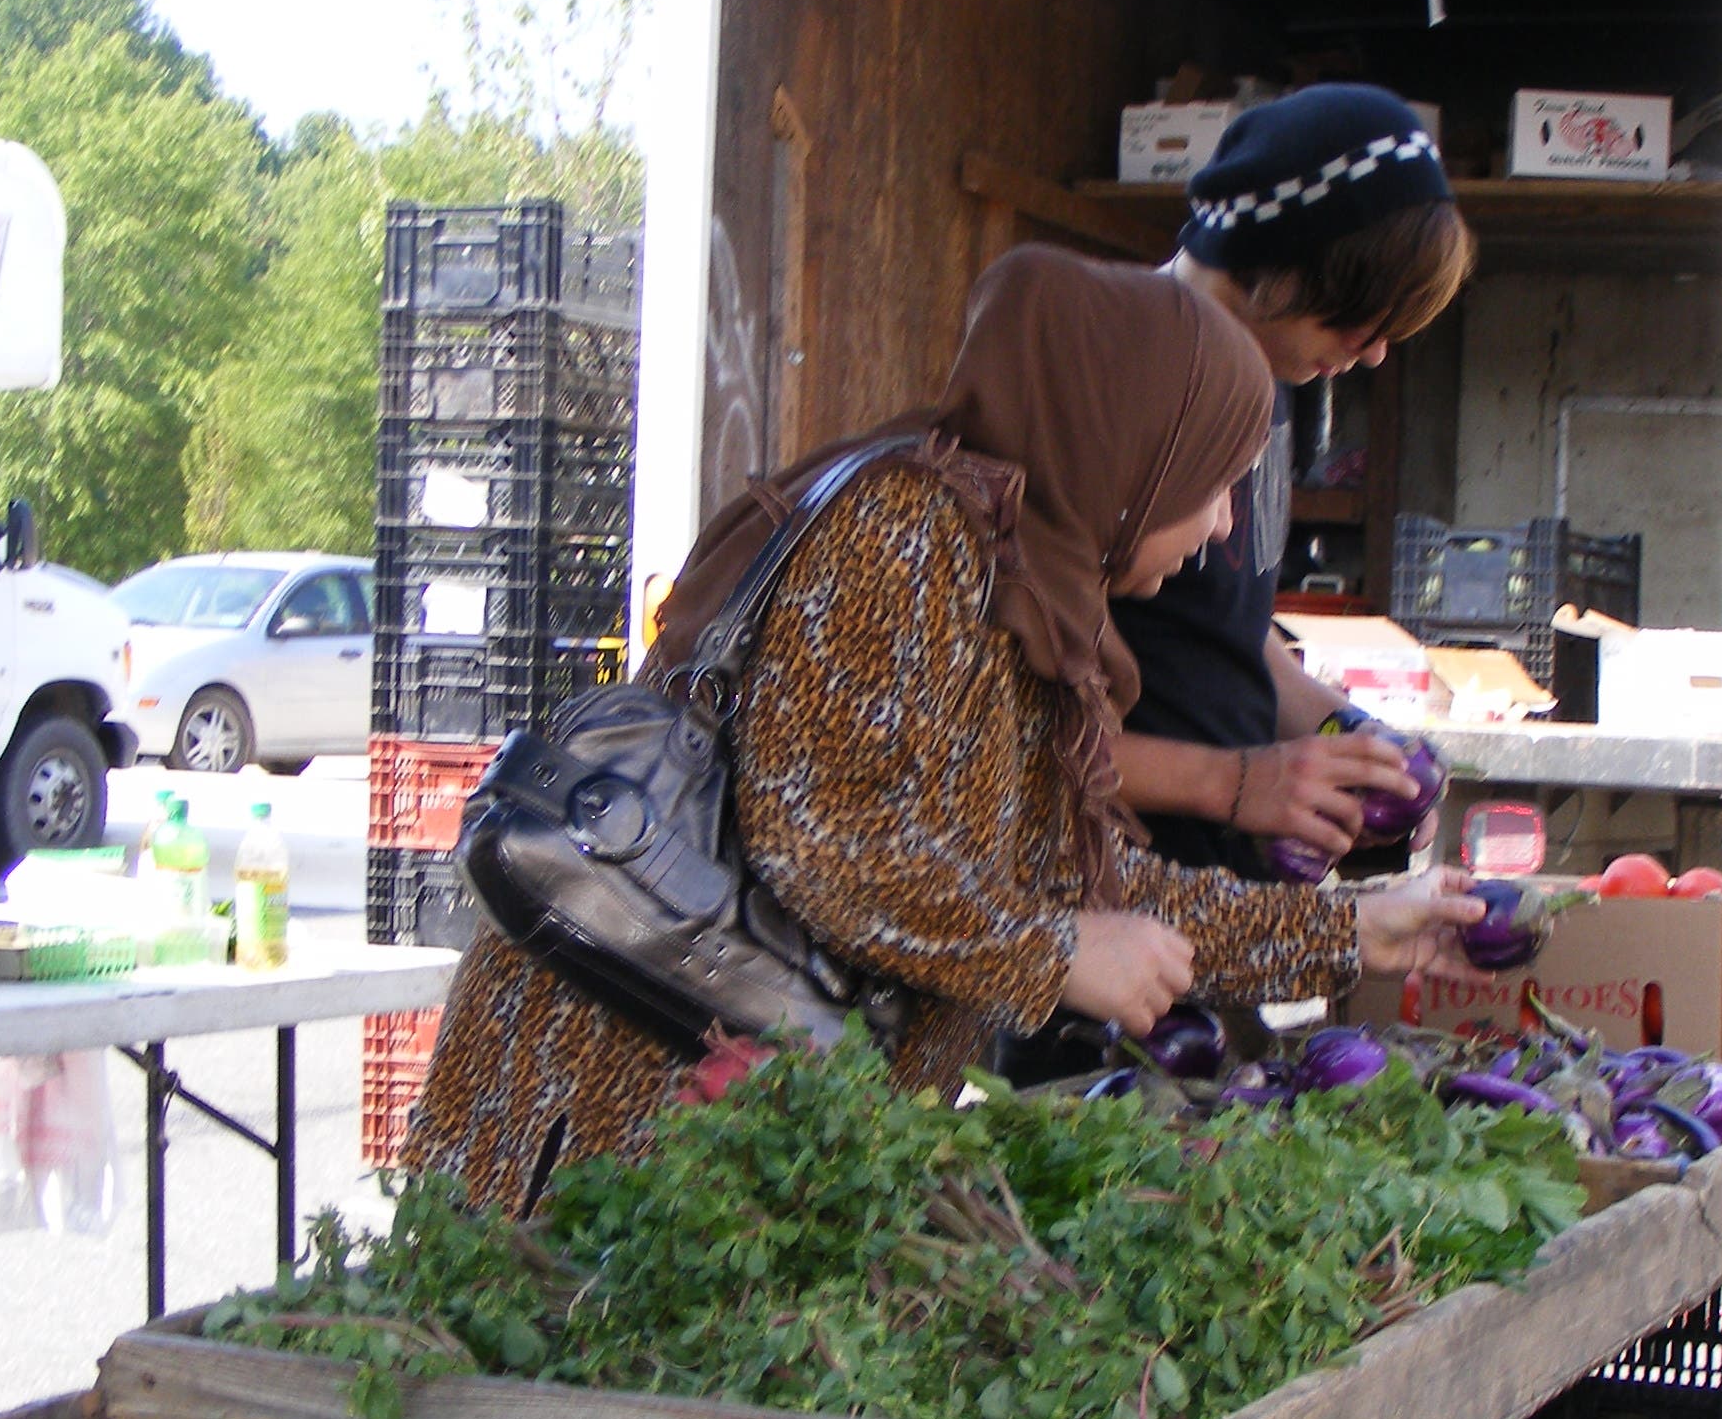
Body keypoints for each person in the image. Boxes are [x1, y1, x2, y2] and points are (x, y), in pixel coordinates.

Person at [406, 245, 1485, 1208]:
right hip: (606, 1100)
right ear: (1128, 445)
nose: (1217, 528)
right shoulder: (903, 532)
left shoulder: (1022, 598)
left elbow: (1077, 883)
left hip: (735, 1115)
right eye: (1214, 483)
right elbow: (826, 834)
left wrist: (1352, 928)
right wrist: (1051, 951)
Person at [1112, 84, 1477, 877]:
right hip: (1107, 891)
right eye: (1359, 321)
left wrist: (1354, 737)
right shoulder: (1121, 381)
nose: (1375, 353)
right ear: (1278, 268)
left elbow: (1231, 639)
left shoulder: (1263, 380)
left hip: (1215, 885)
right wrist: (1238, 783)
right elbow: (1009, 737)